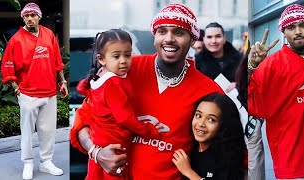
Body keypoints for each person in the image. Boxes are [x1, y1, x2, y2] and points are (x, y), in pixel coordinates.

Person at [70, 3, 224, 179]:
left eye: (179, 32)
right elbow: (82, 121)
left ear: (192, 39)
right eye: (162, 31)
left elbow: (228, 151)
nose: (169, 39)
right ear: (154, 36)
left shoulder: (209, 91)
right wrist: (95, 152)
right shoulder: (122, 71)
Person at [76, 29, 165, 180]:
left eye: (128, 55)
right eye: (116, 56)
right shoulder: (114, 83)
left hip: (98, 140)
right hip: (114, 142)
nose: (123, 60)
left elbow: (82, 89)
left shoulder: (97, 77)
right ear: (102, 59)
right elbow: (124, 117)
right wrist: (147, 131)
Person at [248, 4, 304, 179]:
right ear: (283, 31)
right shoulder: (271, 65)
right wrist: (252, 68)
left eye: (302, 25)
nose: (297, 31)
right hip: (291, 160)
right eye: (291, 27)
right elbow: (254, 103)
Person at [0, 3, 68, 180]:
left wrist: (62, 81)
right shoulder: (16, 40)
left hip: (49, 91)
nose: (29, 18)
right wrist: (17, 89)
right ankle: (28, 163)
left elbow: (57, 61)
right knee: (28, 131)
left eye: (33, 15)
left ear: (39, 16)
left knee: (48, 130)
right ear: (23, 18)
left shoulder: (49, 35)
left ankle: (46, 162)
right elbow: (8, 67)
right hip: (28, 92)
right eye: (26, 16)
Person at [172, 93, 246, 180]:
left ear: (223, 125)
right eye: (198, 115)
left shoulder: (228, 159)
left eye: (211, 120)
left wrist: (189, 172)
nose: (201, 124)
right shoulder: (190, 148)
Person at [195, 22, 242, 92]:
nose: (214, 41)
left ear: (224, 38)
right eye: (209, 37)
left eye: (218, 36)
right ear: (204, 40)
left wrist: (239, 84)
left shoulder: (240, 59)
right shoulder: (197, 62)